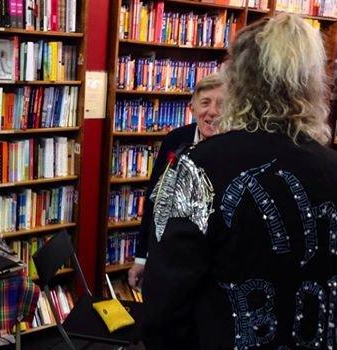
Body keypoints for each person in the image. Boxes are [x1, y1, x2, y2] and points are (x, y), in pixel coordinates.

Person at [141, 13, 337, 349]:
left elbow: (164, 303)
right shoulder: (331, 165)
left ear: (238, 80)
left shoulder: (197, 167)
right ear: (314, 84)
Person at [128, 73, 224, 289]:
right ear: (192, 108)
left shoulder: (235, 149)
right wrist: (141, 258)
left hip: (211, 266)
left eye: (222, 104)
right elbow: (155, 198)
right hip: (169, 257)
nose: (213, 112)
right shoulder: (175, 140)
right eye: (206, 103)